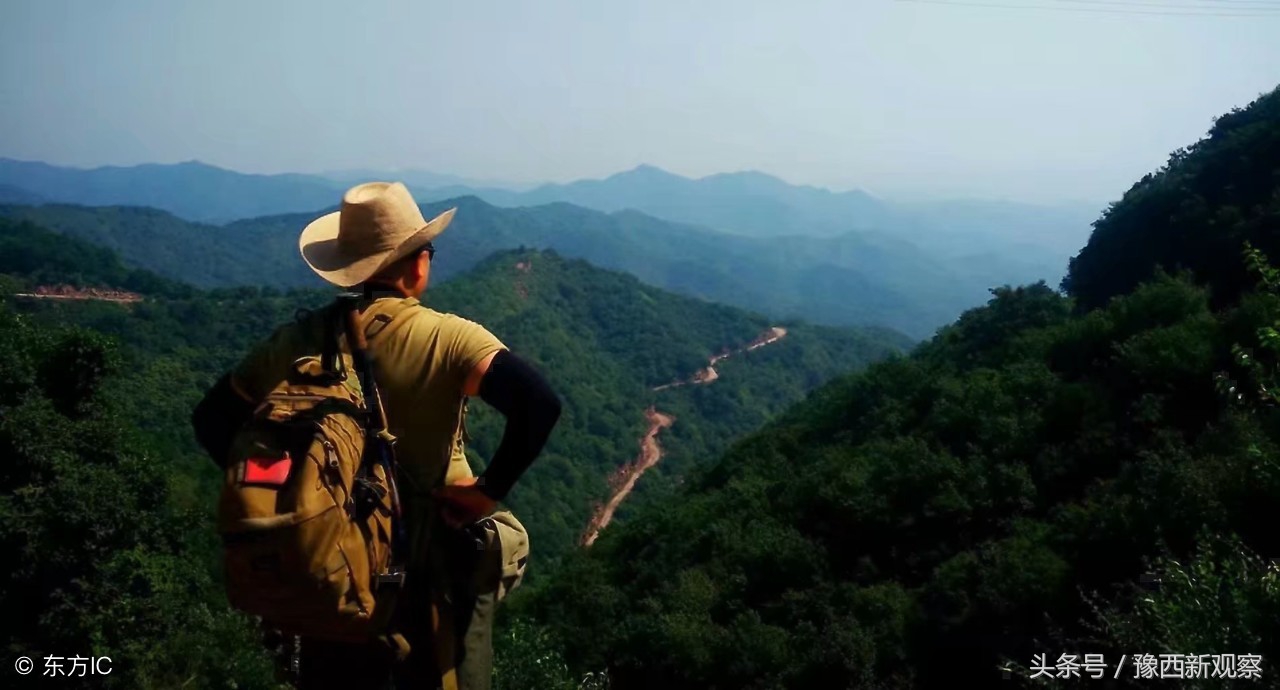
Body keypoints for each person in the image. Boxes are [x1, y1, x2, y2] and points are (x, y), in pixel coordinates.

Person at [191, 181, 562, 689]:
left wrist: (294, 504)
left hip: (330, 576)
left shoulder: (296, 341)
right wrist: (485, 494)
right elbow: (538, 405)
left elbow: (212, 422)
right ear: (415, 263)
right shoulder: (448, 337)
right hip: (426, 573)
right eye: (428, 250)